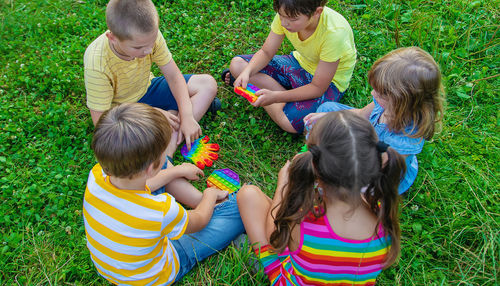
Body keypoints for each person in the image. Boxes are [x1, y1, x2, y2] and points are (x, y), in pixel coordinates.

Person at [83, 103, 244, 285]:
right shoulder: (159, 210)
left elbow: (145, 185)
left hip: (112, 268)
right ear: (151, 169)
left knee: (163, 185)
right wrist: (209, 195)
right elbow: (199, 220)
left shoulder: (96, 176)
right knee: (239, 207)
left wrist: (175, 172)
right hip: (155, 276)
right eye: (162, 157)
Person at [237, 111, 405, 285]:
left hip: (294, 276)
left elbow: (273, 236)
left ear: (315, 166)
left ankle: (263, 265)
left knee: (247, 195)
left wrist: (283, 184)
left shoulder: (305, 219)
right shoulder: (383, 214)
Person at [305, 47, 445, 194]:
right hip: (364, 144)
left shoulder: (404, 140)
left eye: (381, 93)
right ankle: (321, 154)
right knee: (327, 109)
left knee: (351, 189)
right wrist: (332, 118)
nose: (373, 93)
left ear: (403, 103)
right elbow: (360, 114)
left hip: (379, 173)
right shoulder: (386, 103)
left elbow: (379, 173)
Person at [84, 0, 220, 152]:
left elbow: (174, 76)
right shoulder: (97, 63)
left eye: (152, 41)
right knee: (121, 143)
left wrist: (187, 115)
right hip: (122, 112)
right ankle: (168, 148)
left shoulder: (147, 36)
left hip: (149, 88)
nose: (148, 50)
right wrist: (152, 113)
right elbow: (101, 121)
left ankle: (173, 124)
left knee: (207, 84)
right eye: (138, 47)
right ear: (112, 38)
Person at [222, 0, 356, 134]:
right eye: (280, 15)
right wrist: (247, 72)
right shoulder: (287, 11)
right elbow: (266, 52)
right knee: (238, 65)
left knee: (290, 123)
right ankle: (282, 99)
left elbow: (318, 88)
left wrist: (276, 97)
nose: (284, 23)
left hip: (329, 83)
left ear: (317, 12)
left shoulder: (334, 33)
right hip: (298, 63)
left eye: (293, 19)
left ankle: (272, 96)